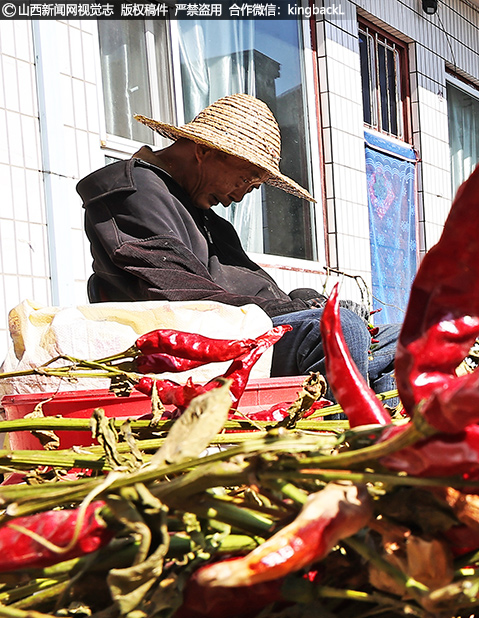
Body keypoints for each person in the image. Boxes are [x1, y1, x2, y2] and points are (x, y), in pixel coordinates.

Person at [76, 93, 399, 399]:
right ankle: (346, 447)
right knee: (338, 328)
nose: (242, 194)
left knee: (403, 337)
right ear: (205, 150)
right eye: (246, 178)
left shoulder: (210, 219)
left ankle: (384, 426)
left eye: (254, 185)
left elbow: (258, 290)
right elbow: (179, 293)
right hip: (206, 342)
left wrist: (303, 300)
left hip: (250, 329)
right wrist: (302, 311)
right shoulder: (132, 193)